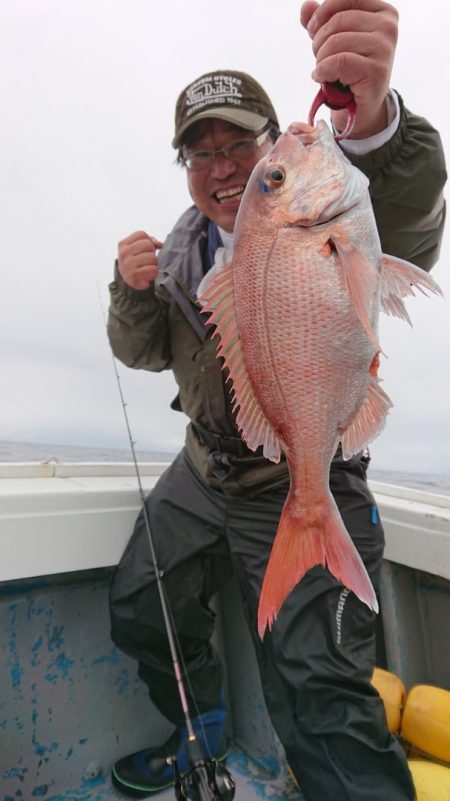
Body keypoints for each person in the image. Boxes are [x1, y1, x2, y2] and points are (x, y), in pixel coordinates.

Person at [107, 1, 446, 798]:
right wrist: (128, 293)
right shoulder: (183, 252)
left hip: (300, 473)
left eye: (239, 145)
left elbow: (407, 228)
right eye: (200, 153)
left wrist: (376, 125)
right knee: (137, 603)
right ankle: (201, 728)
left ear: (271, 142)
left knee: (318, 691)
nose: (221, 167)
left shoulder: (327, 212)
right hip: (204, 470)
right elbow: (143, 351)